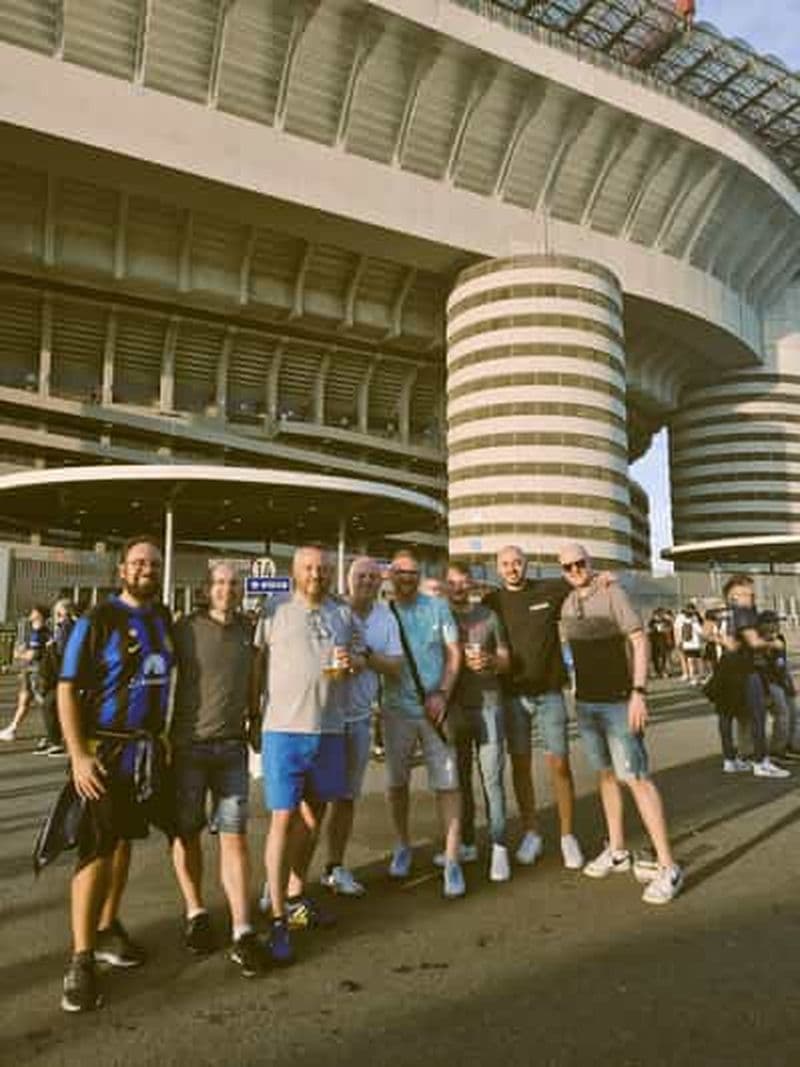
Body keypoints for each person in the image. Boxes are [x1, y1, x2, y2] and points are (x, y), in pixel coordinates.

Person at [57, 536, 175, 1012]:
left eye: (154, 563)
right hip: (102, 752)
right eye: (139, 562)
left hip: (144, 754)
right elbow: (66, 689)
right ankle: (81, 958)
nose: (146, 568)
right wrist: (79, 757)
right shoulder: (97, 619)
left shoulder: (162, 618)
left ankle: (108, 928)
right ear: (122, 569)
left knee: (124, 842)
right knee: (95, 849)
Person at [252, 545, 363, 965]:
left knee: (313, 820)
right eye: (308, 568)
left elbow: (357, 656)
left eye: (322, 568)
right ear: (295, 572)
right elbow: (256, 662)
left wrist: (352, 662)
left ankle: (296, 895)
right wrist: (250, 713)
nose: (316, 573)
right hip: (283, 730)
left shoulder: (341, 613)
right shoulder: (274, 609)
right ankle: (277, 915)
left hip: (329, 730)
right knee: (283, 819)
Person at [558, 543, 683, 905]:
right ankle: (616, 850)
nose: (576, 570)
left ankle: (668, 865)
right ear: (562, 571)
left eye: (581, 563)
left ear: (590, 563)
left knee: (637, 778)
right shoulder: (567, 603)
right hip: (587, 705)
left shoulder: (613, 593)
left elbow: (639, 641)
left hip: (618, 702)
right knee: (606, 776)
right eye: (568, 566)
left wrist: (639, 692)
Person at [170, 563, 265, 977]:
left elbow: (254, 680)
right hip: (188, 748)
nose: (227, 590)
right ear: (207, 590)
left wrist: (256, 718)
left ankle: (243, 929)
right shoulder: (185, 629)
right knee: (186, 833)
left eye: (234, 584)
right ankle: (196, 912)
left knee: (235, 836)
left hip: (232, 748)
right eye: (221, 584)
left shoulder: (249, 630)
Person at [484, 545, 584, 870]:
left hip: (549, 694)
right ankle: (532, 832)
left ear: (527, 565)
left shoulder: (548, 589)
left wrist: (602, 576)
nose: (512, 568)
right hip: (513, 696)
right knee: (521, 767)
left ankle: (568, 836)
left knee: (560, 765)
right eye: (506, 564)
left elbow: (579, 578)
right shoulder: (492, 601)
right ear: (498, 569)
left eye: (517, 562)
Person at [382, 549, 465, 897]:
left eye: (413, 573)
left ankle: (451, 859)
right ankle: (402, 844)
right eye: (401, 572)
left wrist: (443, 692)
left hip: (434, 710)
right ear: (390, 575)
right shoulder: (382, 613)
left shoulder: (437, 606)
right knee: (397, 783)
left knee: (448, 784)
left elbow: (454, 653)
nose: (407, 578)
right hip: (395, 711)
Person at [321, 556, 403, 896]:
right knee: (306, 804)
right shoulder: (329, 610)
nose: (367, 581)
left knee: (345, 798)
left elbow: (395, 666)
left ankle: (334, 867)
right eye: (361, 576)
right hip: (322, 720)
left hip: (357, 720)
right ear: (348, 578)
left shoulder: (386, 618)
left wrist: (364, 657)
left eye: (373, 576)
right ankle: (284, 879)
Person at [446, 561, 511, 882]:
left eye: (463, 581)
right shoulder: (439, 617)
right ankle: (468, 842)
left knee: (492, 779)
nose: (459, 587)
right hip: (454, 709)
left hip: (488, 705)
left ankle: (499, 846)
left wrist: (491, 662)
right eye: (452, 582)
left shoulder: (488, 617)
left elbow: (506, 658)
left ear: (471, 584)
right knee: (459, 782)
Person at [712, 576, 790, 779]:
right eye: (748, 593)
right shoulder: (744, 611)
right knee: (758, 713)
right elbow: (754, 642)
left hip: (724, 667)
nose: (752, 596)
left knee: (726, 714)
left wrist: (722, 641)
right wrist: (774, 644)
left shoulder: (717, 611)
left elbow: (705, 632)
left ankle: (730, 759)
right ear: (734, 596)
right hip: (745, 668)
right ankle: (761, 761)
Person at [0, 604, 51, 742]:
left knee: (45, 703)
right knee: (24, 701)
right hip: (29, 672)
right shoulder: (36, 632)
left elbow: (31, 655)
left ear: (39, 615)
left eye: (33, 611)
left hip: (35, 673)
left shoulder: (39, 633)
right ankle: (12, 729)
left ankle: (59, 733)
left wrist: (19, 654)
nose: (30, 613)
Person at [34, 599, 77, 757]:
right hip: (60, 674)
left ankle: (56, 740)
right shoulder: (63, 627)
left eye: (58, 612)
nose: (57, 615)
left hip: (64, 675)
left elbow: (64, 652)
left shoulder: (66, 627)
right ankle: (55, 737)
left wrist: (51, 646)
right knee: (50, 704)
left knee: (50, 704)